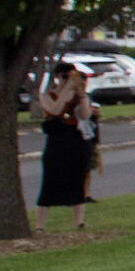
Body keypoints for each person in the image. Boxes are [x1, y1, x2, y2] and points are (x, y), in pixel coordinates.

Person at [35, 64, 93, 232]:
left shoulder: (77, 95)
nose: (69, 80)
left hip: (75, 141)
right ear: (57, 77)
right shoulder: (46, 95)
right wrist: (67, 91)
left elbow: (85, 115)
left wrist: (82, 95)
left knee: (78, 180)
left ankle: (79, 221)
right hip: (56, 141)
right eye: (65, 77)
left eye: (71, 76)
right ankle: (40, 225)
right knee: (49, 182)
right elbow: (55, 110)